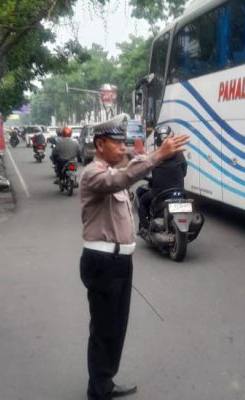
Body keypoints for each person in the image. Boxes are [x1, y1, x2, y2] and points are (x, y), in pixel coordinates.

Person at [79, 115, 189, 400]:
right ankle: (98, 390)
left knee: (116, 328)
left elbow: (128, 166)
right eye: (117, 143)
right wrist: (156, 155)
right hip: (103, 262)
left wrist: (146, 152)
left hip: (119, 262)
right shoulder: (94, 173)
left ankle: (105, 382)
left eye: (123, 143)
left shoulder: (116, 166)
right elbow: (121, 178)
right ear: (100, 144)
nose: (122, 148)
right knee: (103, 330)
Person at [137, 126, 188, 231]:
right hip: (180, 192)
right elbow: (184, 171)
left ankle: (144, 227)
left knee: (142, 201)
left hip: (160, 193)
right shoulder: (179, 154)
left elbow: (147, 172)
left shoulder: (156, 156)